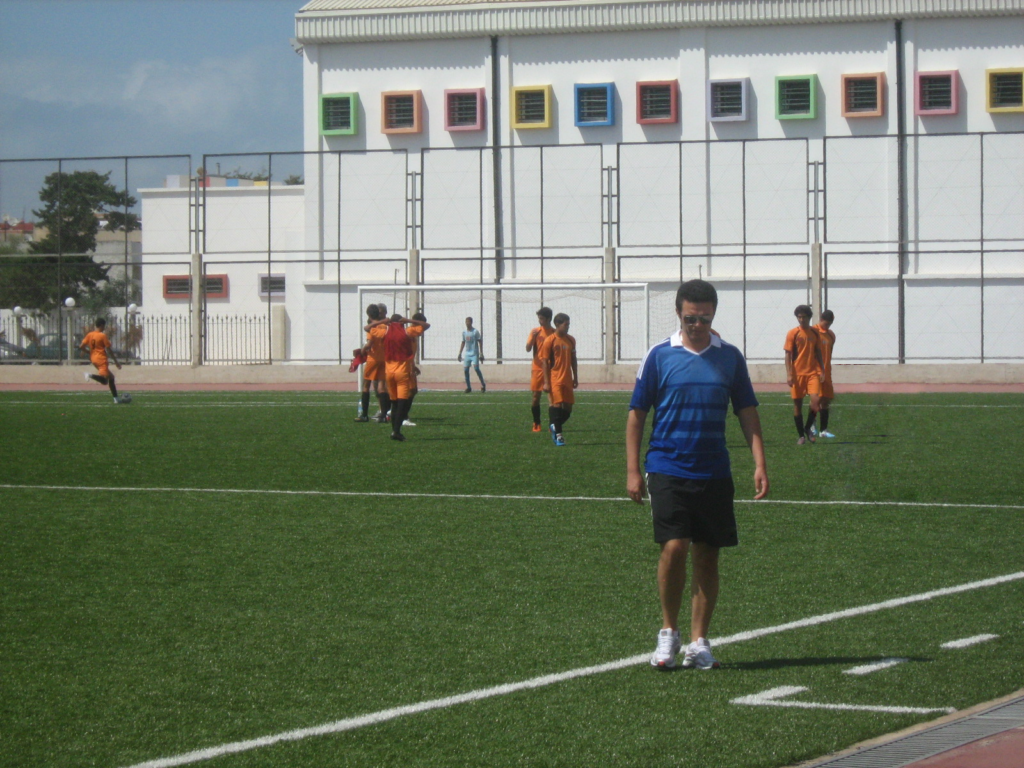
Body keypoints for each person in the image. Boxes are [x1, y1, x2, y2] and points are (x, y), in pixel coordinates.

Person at [626, 279, 769, 671]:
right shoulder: (658, 356)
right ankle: (668, 633)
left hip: (714, 470)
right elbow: (637, 414)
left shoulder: (730, 358)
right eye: (690, 318)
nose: (697, 325)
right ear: (678, 314)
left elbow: (747, 411)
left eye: (704, 318)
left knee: (708, 555)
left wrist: (759, 462)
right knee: (674, 547)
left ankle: (699, 641)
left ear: (713, 315)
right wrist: (633, 470)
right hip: (668, 466)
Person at [372, 313, 430, 441]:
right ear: (402, 322)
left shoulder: (385, 332)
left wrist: (382, 321)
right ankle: (396, 430)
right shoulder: (407, 332)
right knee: (402, 403)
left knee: (394, 403)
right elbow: (427, 325)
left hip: (389, 372)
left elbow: (367, 328)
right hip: (402, 371)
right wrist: (408, 320)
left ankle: (394, 430)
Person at [784, 305, 824, 445]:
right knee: (797, 405)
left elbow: (818, 352)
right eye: (799, 317)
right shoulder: (792, 333)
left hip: (812, 373)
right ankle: (801, 435)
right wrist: (789, 374)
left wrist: (822, 369)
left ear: (809, 317)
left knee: (815, 401)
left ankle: (808, 428)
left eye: (804, 317)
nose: (801, 319)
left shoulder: (814, 332)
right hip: (797, 374)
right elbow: (788, 355)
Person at [539, 313, 578, 447]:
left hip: (567, 378)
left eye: (568, 324)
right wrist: (546, 381)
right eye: (566, 324)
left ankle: (554, 425)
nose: (568, 327)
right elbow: (544, 362)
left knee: (568, 408)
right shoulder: (550, 340)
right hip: (554, 378)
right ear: (558, 325)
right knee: (556, 405)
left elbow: (573, 360)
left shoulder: (571, 340)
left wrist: (575, 377)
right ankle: (559, 436)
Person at [356, 304, 391, 423]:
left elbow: (370, 343)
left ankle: (364, 415)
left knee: (366, 385)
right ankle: (384, 415)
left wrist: (362, 350)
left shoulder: (372, 327)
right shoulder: (385, 326)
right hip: (384, 358)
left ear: (369, 315)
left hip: (373, 359)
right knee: (381, 386)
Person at [80, 318, 124, 404]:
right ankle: (90, 375)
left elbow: (81, 346)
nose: (104, 328)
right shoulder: (102, 335)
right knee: (104, 380)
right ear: (101, 325)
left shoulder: (90, 334)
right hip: (101, 359)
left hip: (93, 359)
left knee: (111, 378)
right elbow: (109, 350)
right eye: (104, 326)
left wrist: (89, 352)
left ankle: (116, 399)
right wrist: (116, 362)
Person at [525, 307, 555, 432]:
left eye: (541, 318)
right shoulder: (535, 331)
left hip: (551, 369)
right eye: (539, 318)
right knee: (536, 397)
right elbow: (527, 348)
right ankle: (536, 422)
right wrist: (532, 338)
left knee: (552, 398)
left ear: (548, 319)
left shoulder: (554, 333)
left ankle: (552, 425)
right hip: (537, 368)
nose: (539, 321)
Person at [812, 310, 837, 439]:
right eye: (825, 323)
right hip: (815, 373)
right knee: (816, 400)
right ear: (821, 319)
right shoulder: (813, 332)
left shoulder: (831, 335)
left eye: (829, 324)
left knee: (826, 400)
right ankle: (812, 425)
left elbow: (829, 354)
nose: (827, 326)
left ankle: (823, 430)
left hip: (827, 373)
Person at [403, 311, 429, 427]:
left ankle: (400, 414)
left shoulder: (412, 333)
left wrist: (413, 366)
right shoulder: (410, 330)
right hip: (404, 367)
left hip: (409, 365)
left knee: (413, 391)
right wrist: (412, 321)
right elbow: (427, 325)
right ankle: (402, 416)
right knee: (408, 391)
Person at [457, 316, 486, 393]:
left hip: (474, 353)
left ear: (471, 322)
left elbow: (480, 341)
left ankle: (483, 384)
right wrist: (460, 353)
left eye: (468, 322)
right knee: (466, 370)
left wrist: (481, 353)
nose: (467, 323)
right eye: (466, 322)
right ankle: (468, 387)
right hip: (467, 354)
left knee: (476, 369)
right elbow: (463, 342)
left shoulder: (475, 331)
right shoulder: (464, 332)